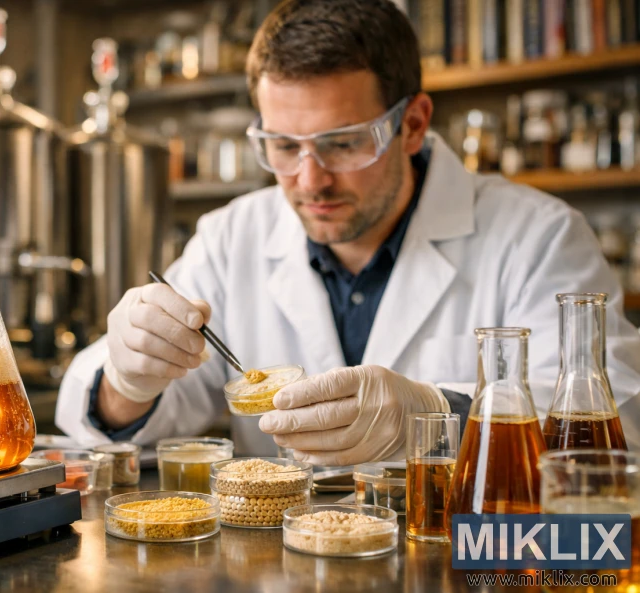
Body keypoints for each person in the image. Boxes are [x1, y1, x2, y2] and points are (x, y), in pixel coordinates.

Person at [57, 0, 640, 462]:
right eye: (283, 146)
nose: (310, 180)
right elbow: (112, 420)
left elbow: (621, 426)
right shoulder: (231, 237)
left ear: (412, 125)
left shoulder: (539, 238)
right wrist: (128, 378)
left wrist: (441, 416)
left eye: (342, 143)